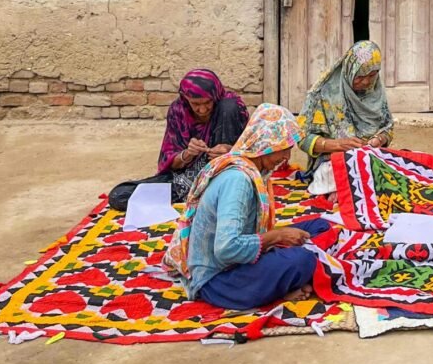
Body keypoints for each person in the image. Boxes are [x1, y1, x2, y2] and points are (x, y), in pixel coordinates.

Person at [163, 103, 331, 309]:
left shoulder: (253, 170)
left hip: (238, 261)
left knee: (321, 226)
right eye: (284, 148)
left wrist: (278, 236)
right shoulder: (239, 180)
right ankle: (285, 284)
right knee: (303, 259)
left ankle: (287, 280)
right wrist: (277, 237)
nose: (287, 157)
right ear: (265, 143)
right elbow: (226, 249)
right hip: (219, 281)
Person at [108, 69, 248, 210]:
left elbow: (253, 151)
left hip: (227, 179)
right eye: (195, 104)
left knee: (228, 107)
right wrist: (187, 154)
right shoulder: (178, 111)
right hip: (185, 182)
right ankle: (198, 194)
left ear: (216, 95)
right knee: (119, 196)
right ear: (185, 99)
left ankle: (213, 193)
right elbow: (171, 162)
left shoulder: (230, 108)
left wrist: (230, 151)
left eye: (207, 102)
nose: (203, 109)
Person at [298, 41, 395, 196]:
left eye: (372, 75)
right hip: (333, 161)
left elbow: (387, 127)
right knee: (343, 174)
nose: (366, 82)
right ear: (349, 70)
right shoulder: (322, 93)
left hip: (370, 158)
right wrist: (337, 145)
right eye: (360, 76)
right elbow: (301, 138)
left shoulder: (375, 92)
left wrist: (378, 140)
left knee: (397, 167)